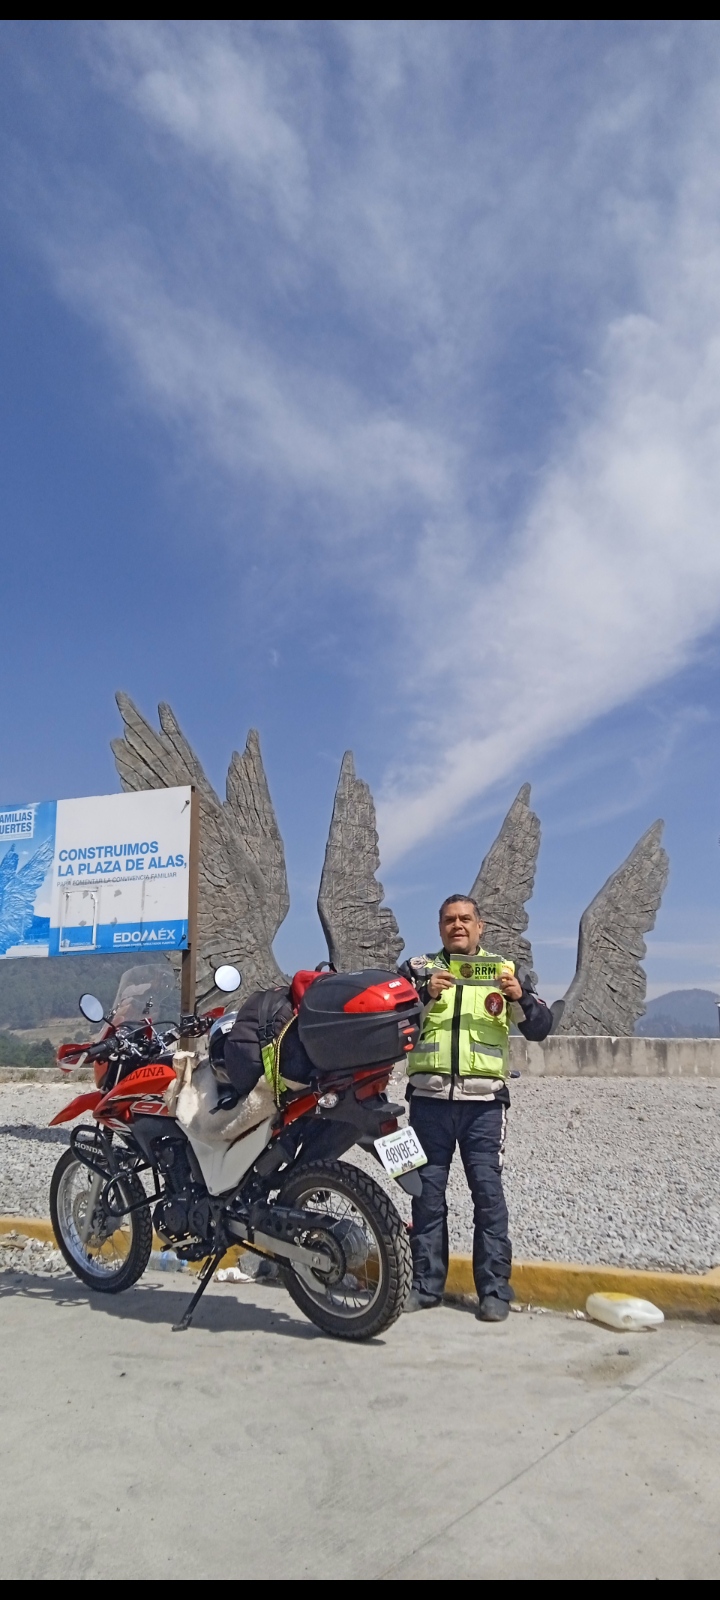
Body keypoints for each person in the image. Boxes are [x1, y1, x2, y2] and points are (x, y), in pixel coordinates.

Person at [399, 894, 552, 1321]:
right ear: (440, 927)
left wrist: (519, 997)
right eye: (449, 919)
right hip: (428, 1102)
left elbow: (540, 1028)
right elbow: (390, 1020)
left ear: (480, 927)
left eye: (466, 919)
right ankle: (426, 1285)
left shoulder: (504, 970)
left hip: (483, 1105)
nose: (458, 925)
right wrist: (423, 995)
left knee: (488, 1197)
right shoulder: (417, 970)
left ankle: (495, 1291)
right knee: (426, 1197)